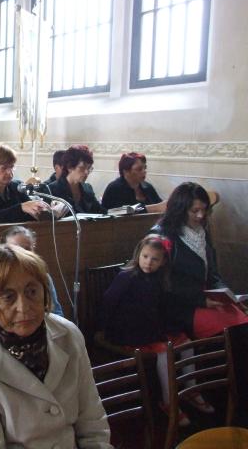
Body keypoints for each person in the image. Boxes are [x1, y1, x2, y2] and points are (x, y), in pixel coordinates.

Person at [0, 244, 111, 448]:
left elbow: (93, 425)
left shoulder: (69, 335)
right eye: (8, 296)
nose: (24, 307)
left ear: (45, 291)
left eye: (32, 291)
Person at [102, 234, 209, 426]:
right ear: (138, 254)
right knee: (163, 351)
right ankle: (168, 401)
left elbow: (161, 307)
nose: (148, 262)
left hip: (150, 325)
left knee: (186, 342)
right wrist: (108, 329)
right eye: (145, 256)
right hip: (127, 329)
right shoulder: (127, 276)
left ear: (163, 262)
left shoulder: (159, 278)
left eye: (155, 259)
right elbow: (109, 303)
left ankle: (191, 389)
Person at [150, 182, 248, 339]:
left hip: (202, 300)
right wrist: (201, 300)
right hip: (178, 308)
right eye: (195, 211)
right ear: (180, 209)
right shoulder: (162, 236)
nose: (201, 216)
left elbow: (212, 274)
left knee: (243, 319)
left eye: (204, 210)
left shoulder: (201, 232)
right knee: (235, 329)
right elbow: (163, 282)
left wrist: (226, 295)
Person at [0, 226, 64, 317]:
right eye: (16, 249)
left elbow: (56, 312)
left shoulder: (44, 277)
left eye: (27, 249)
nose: (22, 254)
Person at [48, 145, 104, 214]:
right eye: (82, 167)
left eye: (89, 168)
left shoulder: (87, 188)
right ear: (69, 167)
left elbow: (100, 211)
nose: (86, 172)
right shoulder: (51, 189)